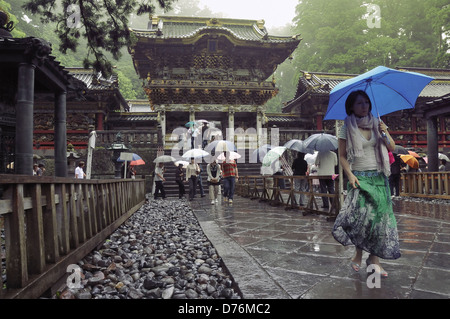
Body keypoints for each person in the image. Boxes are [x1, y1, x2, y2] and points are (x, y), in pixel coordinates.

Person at [332, 90, 400, 278]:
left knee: (381, 219)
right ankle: (358, 253)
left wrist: (384, 130)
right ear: (351, 107)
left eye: (366, 102)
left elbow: (392, 147)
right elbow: (343, 156)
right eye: (360, 103)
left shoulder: (377, 124)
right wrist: (350, 175)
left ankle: (374, 259)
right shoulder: (347, 127)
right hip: (359, 178)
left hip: (379, 177)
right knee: (362, 219)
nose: (364, 106)